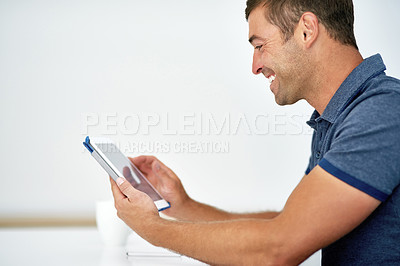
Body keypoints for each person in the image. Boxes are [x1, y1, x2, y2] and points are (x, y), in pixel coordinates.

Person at [109, 0, 400, 264]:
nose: (255, 66)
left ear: (307, 31)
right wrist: (183, 206)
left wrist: (152, 228)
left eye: (260, 46)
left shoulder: (381, 112)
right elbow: (290, 225)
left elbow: (278, 247)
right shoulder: (339, 118)